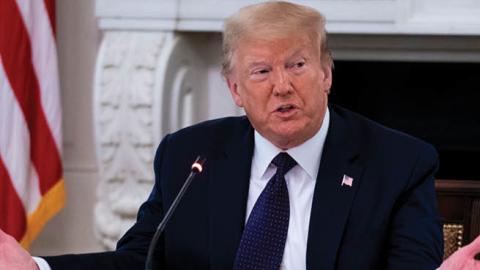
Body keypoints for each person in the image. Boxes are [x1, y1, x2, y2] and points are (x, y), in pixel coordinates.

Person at [0, 1, 479, 269]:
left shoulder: (398, 163)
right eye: (261, 71)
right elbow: (139, 263)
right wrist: (39, 269)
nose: (282, 85)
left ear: (327, 73)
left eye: (297, 65)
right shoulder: (190, 156)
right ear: (234, 89)